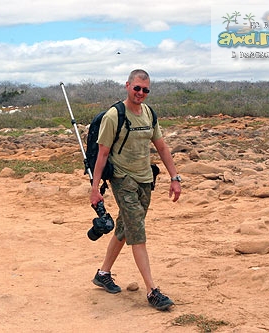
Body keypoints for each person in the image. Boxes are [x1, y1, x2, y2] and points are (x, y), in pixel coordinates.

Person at [89, 69, 182, 311]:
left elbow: (161, 147)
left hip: (144, 179)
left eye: (145, 90)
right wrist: (95, 188)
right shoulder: (114, 116)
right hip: (122, 179)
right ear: (127, 86)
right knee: (137, 231)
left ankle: (103, 273)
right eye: (137, 88)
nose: (140, 93)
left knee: (125, 226)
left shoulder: (149, 114)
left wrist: (175, 177)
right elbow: (102, 154)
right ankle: (153, 291)